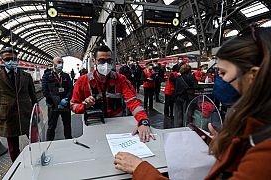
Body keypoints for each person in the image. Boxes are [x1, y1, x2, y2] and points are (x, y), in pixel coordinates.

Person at [114, 26, 271, 179]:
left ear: (253, 76)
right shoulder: (255, 126)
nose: (219, 80)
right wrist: (227, 151)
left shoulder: (265, 153)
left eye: (223, 73)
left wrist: (140, 169)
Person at [70, 45, 154, 142]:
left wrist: (143, 121)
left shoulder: (121, 79)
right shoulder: (82, 81)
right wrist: (84, 105)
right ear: (94, 61)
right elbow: (73, 106)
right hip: (94, 124)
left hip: (117, 123)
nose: (106, 64)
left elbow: (133, 102)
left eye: (109, 61)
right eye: (101, 61)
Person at [0, 47, 37, 162]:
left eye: (13, 59)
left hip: (26, 113)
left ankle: (36, 160)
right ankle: (17, 165)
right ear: (2, 61)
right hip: (8, 116)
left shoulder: (27, 76)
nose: (11, 61)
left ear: (18, 59)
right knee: (13, 147)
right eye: (7, 59)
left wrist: (37, 112)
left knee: (35, 140)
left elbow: (33, 96)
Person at [42, 57, 73, 140]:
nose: (61, 64)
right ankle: (48, 142)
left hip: (65, 105)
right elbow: (45, 92)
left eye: (62, 62)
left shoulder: (66, 76)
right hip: (53, 106)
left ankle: (69, 140)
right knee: (51, 126)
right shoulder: (47, 76)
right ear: (54, 63)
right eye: (59, 62)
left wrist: (66, 99)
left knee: (67, 125)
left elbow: (71, 89)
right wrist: (58, 102)